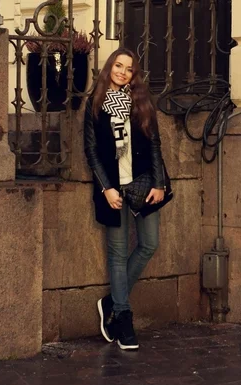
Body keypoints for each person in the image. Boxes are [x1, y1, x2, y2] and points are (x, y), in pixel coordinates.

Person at [83, 48, 172, 350]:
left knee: (149, 244)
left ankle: (111, 300)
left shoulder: (141, 102)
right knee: (117, 254)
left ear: (134, 74)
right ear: (109, 68)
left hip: (143, 183)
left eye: (128, 68)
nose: (122, 71)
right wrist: (107, 188)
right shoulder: (94, 103)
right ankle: (122, 315)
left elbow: (155, 144)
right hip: (112, 188)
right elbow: (92, 151)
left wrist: (159, 183)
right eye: (118, 66)